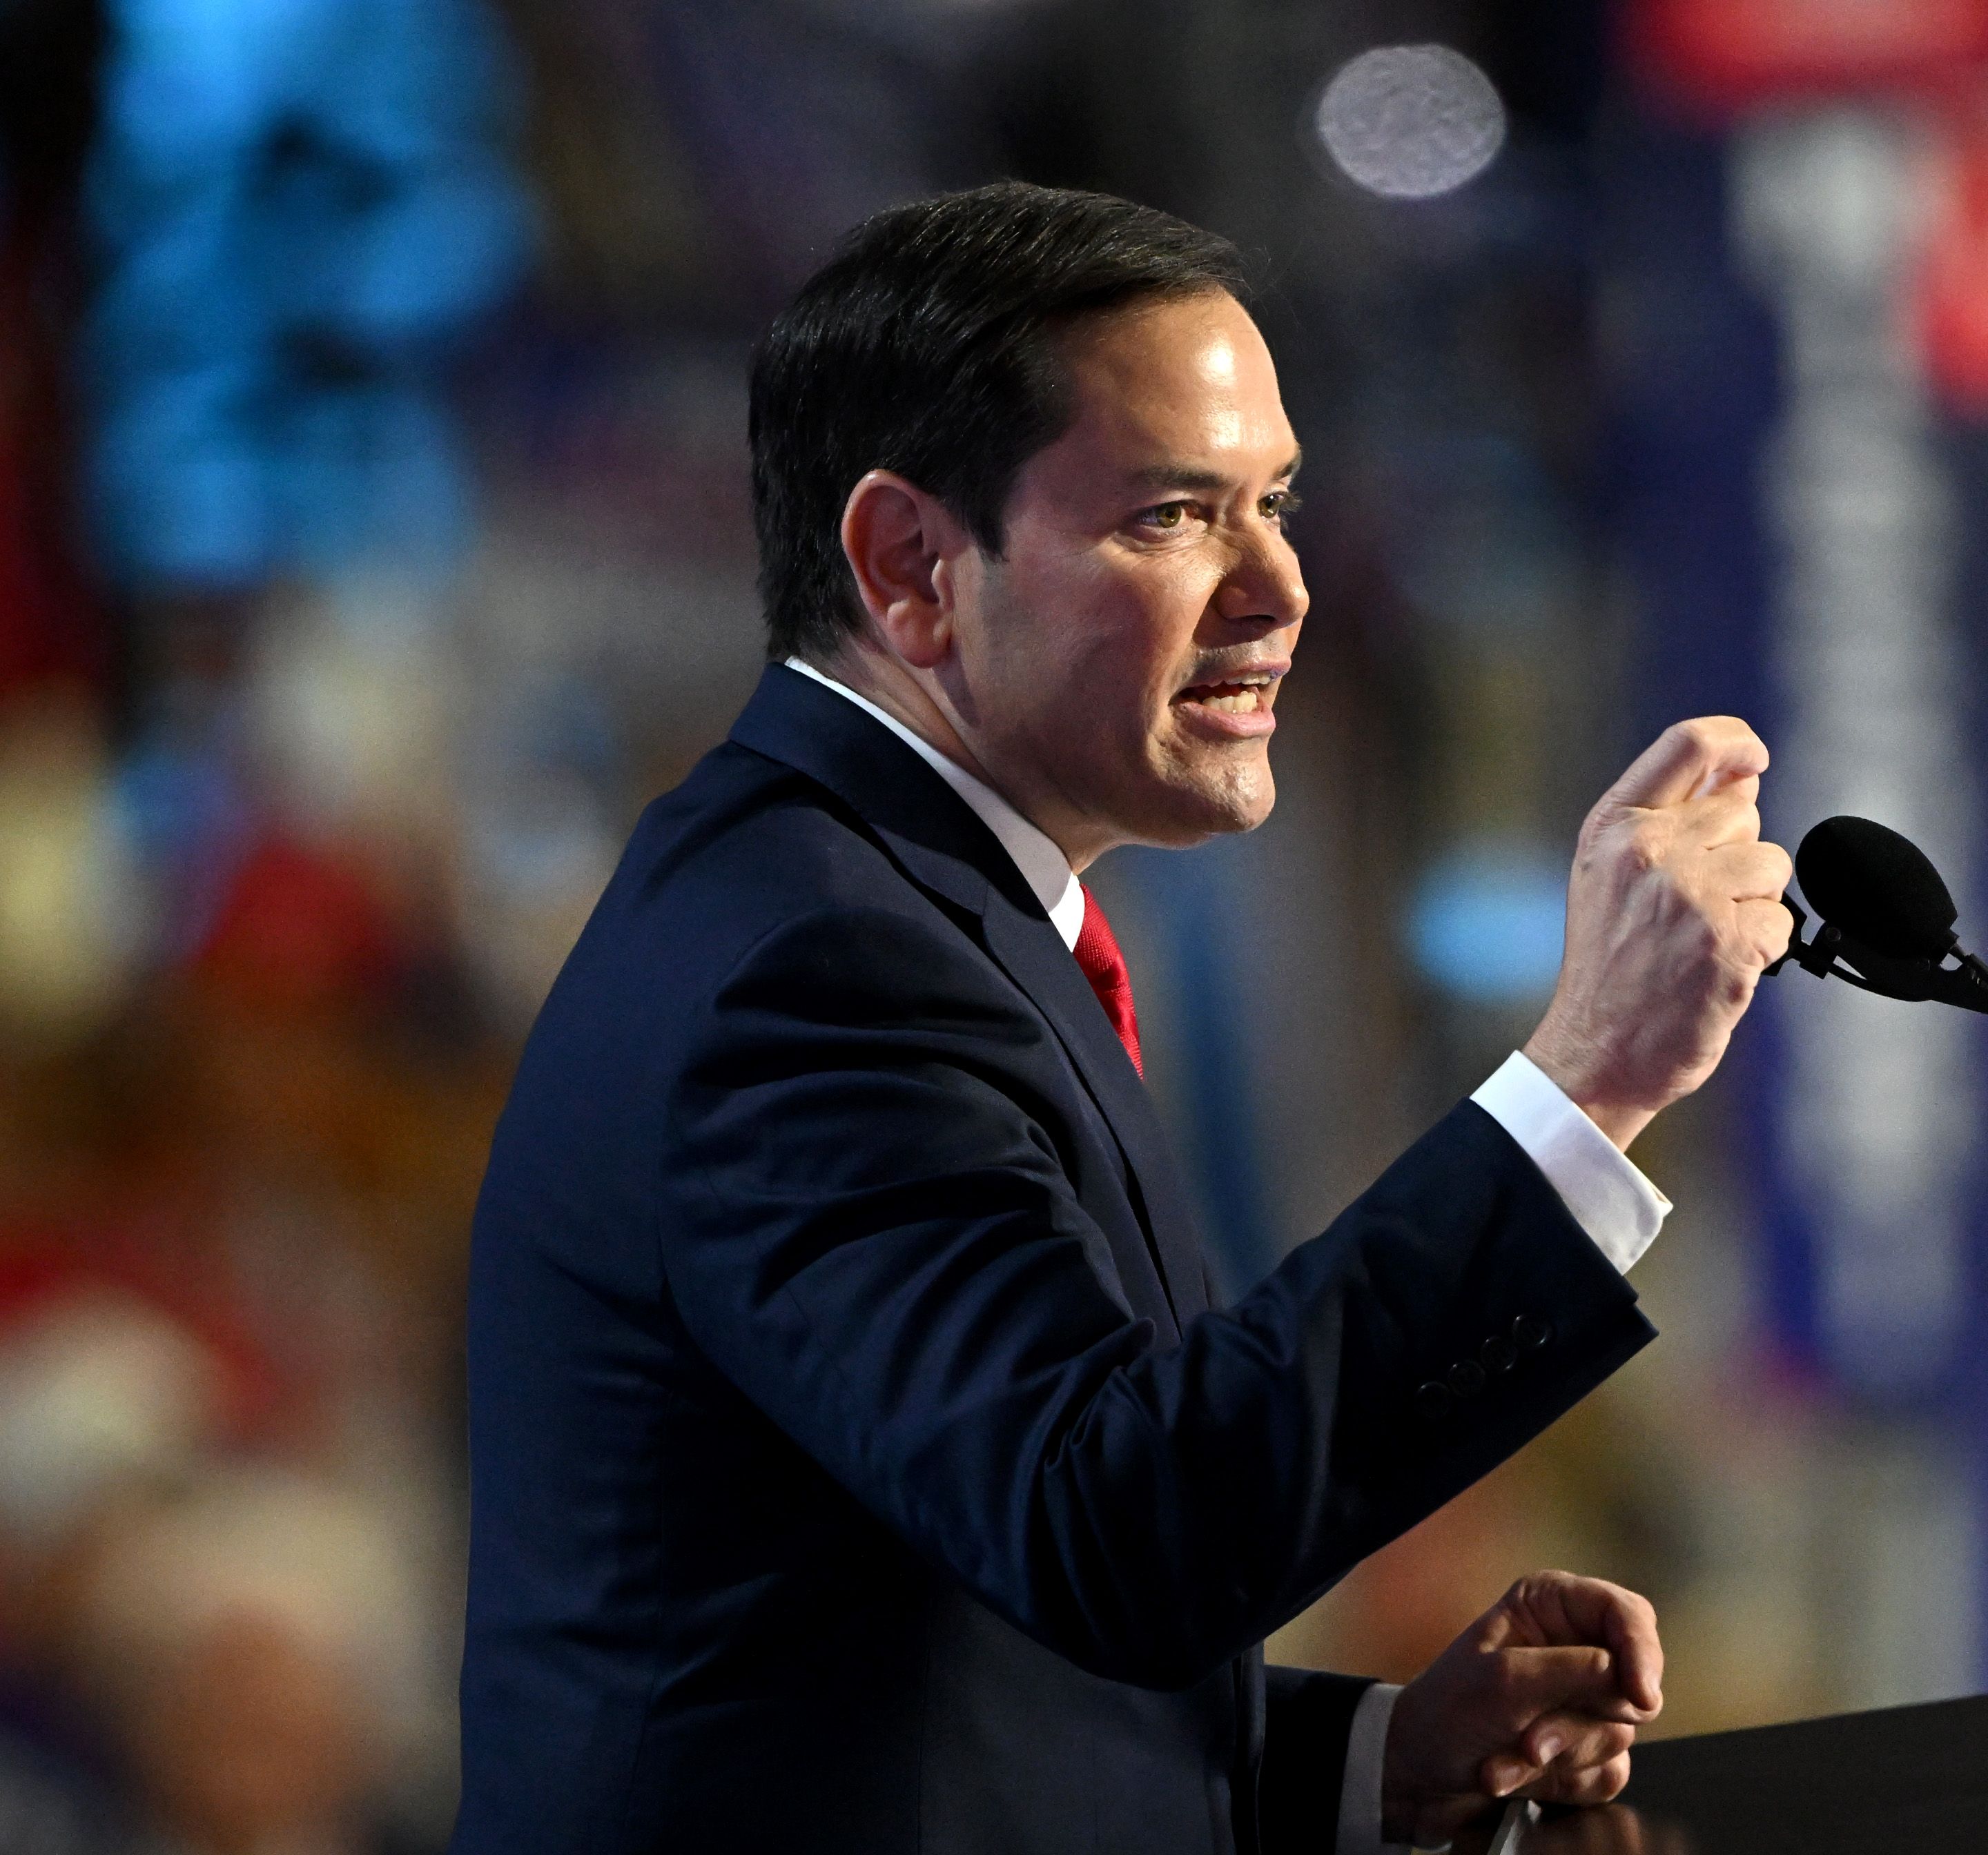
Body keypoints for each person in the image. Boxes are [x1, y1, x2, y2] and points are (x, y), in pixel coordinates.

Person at [452, 181, 1793, 1855]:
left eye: (1275, 504)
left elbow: (940, 1634)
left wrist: (1363, 1762)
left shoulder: (886, 902)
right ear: (910, 567)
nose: (1281, 586)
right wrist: (1587, 1079)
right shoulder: (816, 969)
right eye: (1173, 517)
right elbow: (1112, 1525)